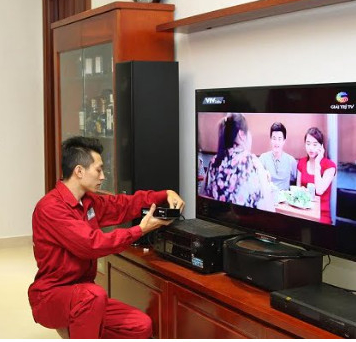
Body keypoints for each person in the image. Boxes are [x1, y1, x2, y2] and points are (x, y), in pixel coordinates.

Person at [28, 136, 185, 339]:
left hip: (85, 294)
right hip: (52, 296)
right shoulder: (51, 208)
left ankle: (80, 329)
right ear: (79, 171)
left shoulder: (89, 202)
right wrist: (140, 230)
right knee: (94, 295)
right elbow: (91, 244)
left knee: (140, 326)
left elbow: (122, 205)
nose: (102, 176)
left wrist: (164, 194)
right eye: (98, 170)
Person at [205, 113, 273, 211]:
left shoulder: (214, 161)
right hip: (244, 219)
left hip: (217, 219)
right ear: (241, 134)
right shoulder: (251, 162)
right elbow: (267, 207)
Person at [297, 127, 336, 225]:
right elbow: (298, 190)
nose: (311, 148)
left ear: (321, 146)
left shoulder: (330, 166)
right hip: (303, 211)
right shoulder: (301, 162)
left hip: (321, 215)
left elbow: (319, 190)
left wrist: (317, 163)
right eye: (308, 143)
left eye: (315, 144)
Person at [259, 122, 297, 191]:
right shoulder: (263, 158)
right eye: (274, 138)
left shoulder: (291, 161)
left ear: (284, 141)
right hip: (268, 195)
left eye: (279, 139)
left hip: (285, 196)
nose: (276, 143)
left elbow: (296, 181)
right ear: (270, 139)